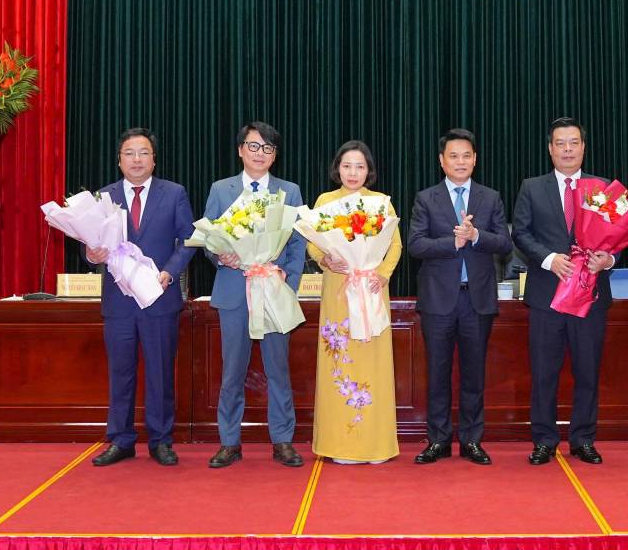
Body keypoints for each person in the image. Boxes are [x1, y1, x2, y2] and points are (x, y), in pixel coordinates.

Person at [86, 128, 196, 466]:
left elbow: (188, 240)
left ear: (154, 159)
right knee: (121, 372)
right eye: (130, 153)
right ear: (119, 160)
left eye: (143, 153)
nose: (137, 159)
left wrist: (169, 271)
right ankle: (121, 439)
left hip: (159, 298)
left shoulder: (174, 193)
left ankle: (161, 440)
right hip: (119, 302)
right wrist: (91, 254)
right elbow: (89, 245)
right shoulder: (104, 198)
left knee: (161, 371)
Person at [512, 118, 615, 465]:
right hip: (546, 297)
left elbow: (619, 235)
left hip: (591, 297)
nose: (567, 149)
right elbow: (521, 234)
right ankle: (544, 439)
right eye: (561, 143)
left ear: (583, 147)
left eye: (574, 143)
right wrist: (549, 258)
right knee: (544, 371)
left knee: (588, 370)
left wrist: (608, 259)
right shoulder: (532, 187)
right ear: (550, 148)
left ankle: (583, 439)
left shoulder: (602, 188)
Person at [204, 121, 307, 469]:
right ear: (240, 150)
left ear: (275, 155)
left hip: (273, 291)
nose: (259, 154)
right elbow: (208, 239)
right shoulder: (221, 189)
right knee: (232, 370)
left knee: (278, 370)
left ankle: (282, 440)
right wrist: (220, 255)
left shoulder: (289, 191)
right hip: (234, 291)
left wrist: (286, 282)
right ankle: (229, 442)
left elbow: (297, 244)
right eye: (253, 146)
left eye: (267, 148)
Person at [407, 129, 512, 465]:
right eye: (453, 156)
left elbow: (505, 244)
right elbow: (416, 245)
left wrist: (476, 235)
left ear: (475, 159)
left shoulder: (490, 197)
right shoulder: (427, 198)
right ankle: (438, 440)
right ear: (442, 160)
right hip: (438, 301)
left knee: (473, 375)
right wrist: (451, 243)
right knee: (437, 374)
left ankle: (471, 440)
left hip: (476, 300)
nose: (460, 161)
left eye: (466, 155)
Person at [309, 140, 402, 463]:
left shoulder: (381, 203)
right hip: (339, 291)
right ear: (338, 168)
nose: (353, 172)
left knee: (373, 363)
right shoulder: (325, 200)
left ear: (369, 171)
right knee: (340, 363)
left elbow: (395, 246)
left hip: (372, 290)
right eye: (347, 166)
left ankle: (376, 445)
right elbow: (313, 244)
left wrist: (384, 274)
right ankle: (341, 445)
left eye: (359, 166)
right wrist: (325, 259)